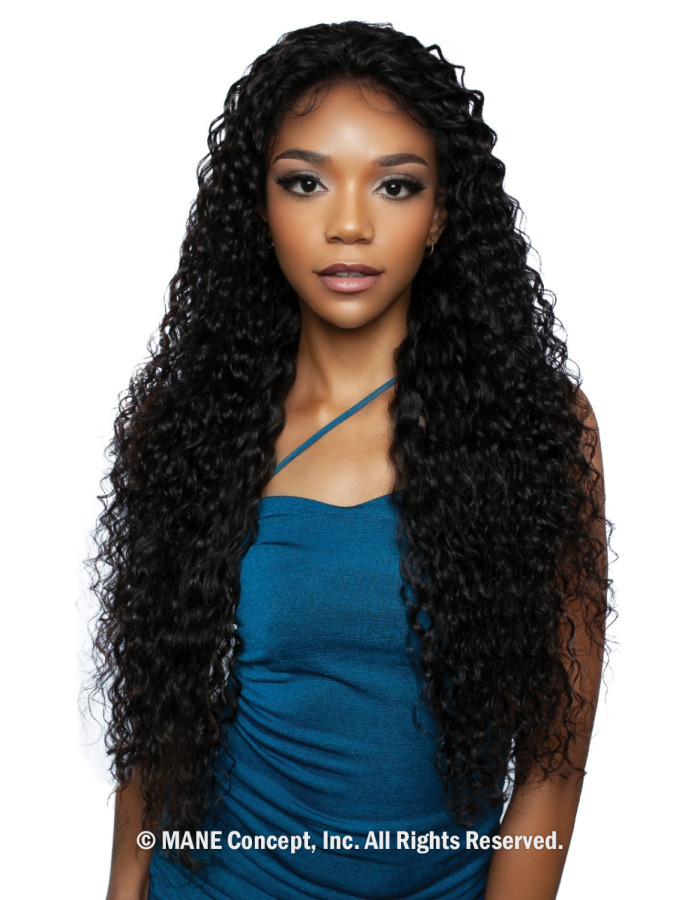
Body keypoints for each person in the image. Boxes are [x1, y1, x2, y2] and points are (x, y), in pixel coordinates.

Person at [90, 20, 612, 900]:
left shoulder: (539, 429)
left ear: (441, 214)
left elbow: (554, 760)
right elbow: (159, 723)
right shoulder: (186, 428)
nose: (348, 225)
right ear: (259, 206)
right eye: (305, 182)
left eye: (396, 185)